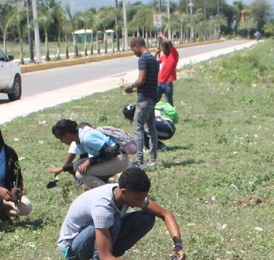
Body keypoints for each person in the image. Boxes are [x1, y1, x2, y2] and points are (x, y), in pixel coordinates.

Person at [56, 167, 183, 260]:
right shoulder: (103, 207)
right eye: (138, 199)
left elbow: (165, 214)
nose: (141, 202)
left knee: (146, 218)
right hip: (73, 249)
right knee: (113, 221)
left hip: (98, 234)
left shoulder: (125, 193)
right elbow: (105, 259)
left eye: (143, 198)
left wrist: (178, 246)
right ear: (124, 192)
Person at [49, 119, 130, 190]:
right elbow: (81, 162)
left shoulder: (87, 137)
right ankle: (99, 187)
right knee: (77, 166)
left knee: (80, 175)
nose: (62, 141)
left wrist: (89, 162)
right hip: (111, 159)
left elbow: (110, 151)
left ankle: (110, 191)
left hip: (119, 159)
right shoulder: (79, 140)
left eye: (61, 138)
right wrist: (63, 168)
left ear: (67, 134)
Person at [123, 37, 159, 168]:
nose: (134, 53)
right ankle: (153, 158)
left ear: (137, 46)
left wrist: (130, 86)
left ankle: (139, 160)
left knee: (138, 128)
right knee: (151, 128)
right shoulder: (153, 60)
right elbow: (149, 82)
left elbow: (141, 80)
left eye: (133, 50)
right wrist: (134, 90)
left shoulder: (143, 59)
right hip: (152, 97)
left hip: (144, 99)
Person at [156, 34, 178, 105]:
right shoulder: (163, 57)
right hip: (159, 83)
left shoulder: (174, 55)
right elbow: (154, 63)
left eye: (164, 50)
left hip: (168, 84)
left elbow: (169, 42)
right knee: (155, 101)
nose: (163, 51)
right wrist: (156, 53)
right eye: (162, 50)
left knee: (169, 103)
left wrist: (162, 36)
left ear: (169, 49)